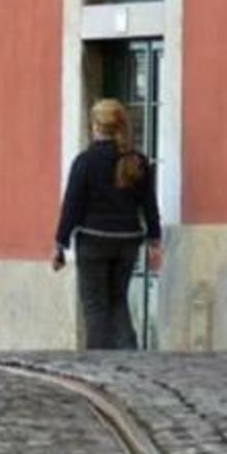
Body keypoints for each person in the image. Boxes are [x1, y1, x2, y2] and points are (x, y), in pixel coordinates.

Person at [53, 98, 162, 350]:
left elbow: (72, 205)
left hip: (93, 241)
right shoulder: (137, 161)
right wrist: (154, 242)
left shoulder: (85, 162)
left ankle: (98, 359)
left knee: (94, 305)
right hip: (127, 242)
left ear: (95, 126)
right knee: (118, 300)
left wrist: (60, 244)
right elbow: (149, 205)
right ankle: (129, 352)